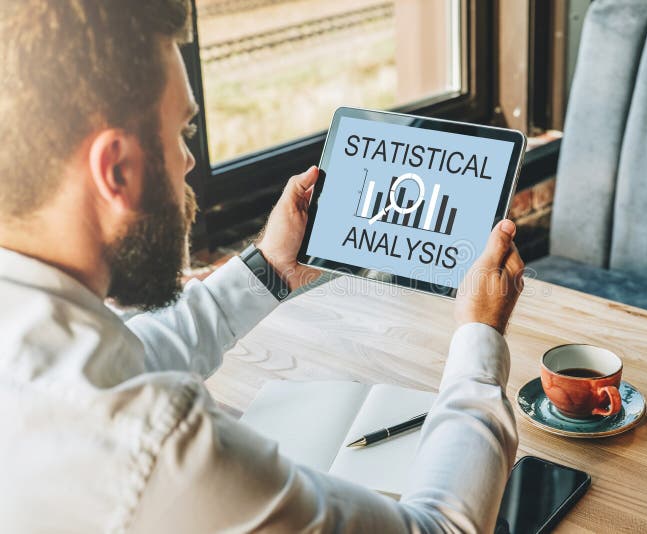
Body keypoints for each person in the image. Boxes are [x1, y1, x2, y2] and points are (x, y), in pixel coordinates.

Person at [0, 1, 524, 532]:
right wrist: (480, 336)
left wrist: (271, 268)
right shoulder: (154, 443)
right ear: (117, 169)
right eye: (182, 133)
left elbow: (132, 358)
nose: (187, 161)